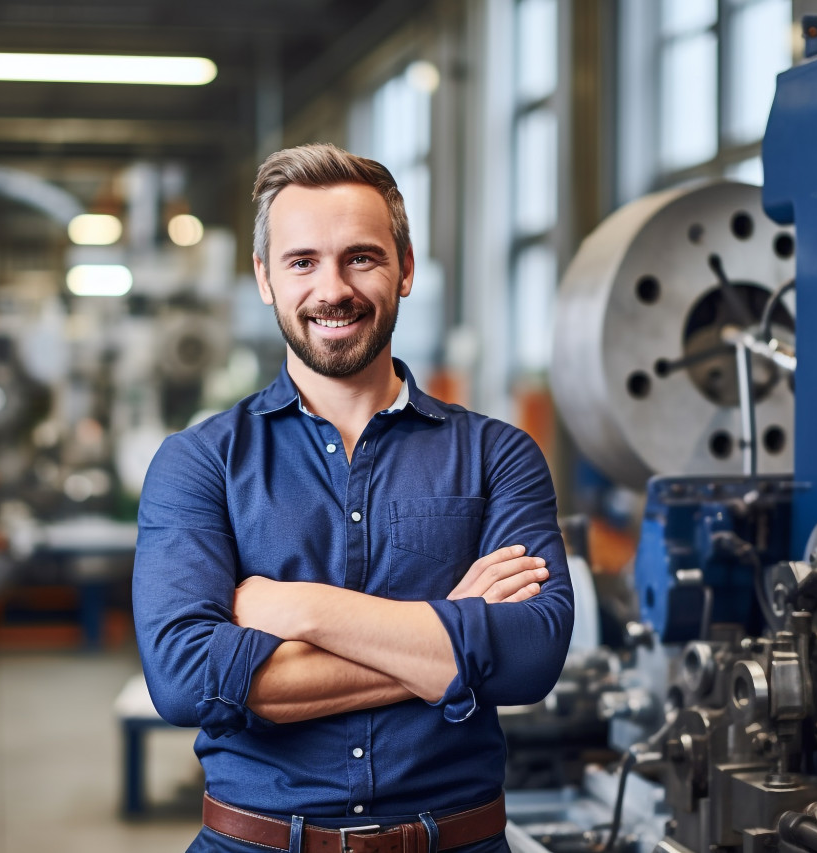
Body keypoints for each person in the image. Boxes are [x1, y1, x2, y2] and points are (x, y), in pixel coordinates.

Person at [133, 143, 573, 853]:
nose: (332, 288)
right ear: (265, 279)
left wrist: (298, 609)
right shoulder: (200, 462)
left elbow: (532, 656)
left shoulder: (499, 455)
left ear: (404, 267)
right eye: (302, 261)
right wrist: (451, 638)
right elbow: (187, 679)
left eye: (360, 258)